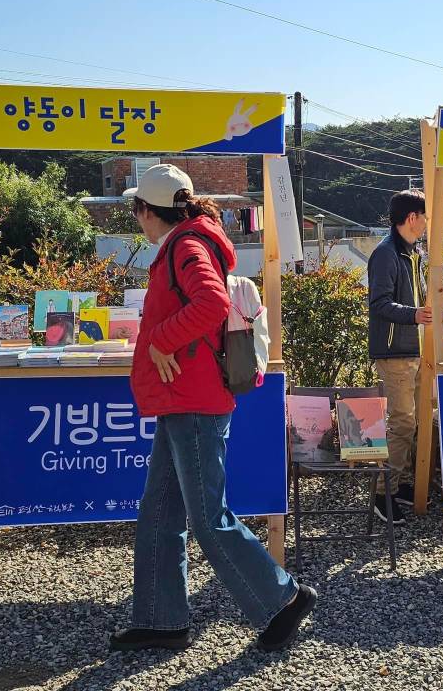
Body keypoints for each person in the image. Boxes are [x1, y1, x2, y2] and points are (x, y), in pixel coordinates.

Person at [111, 164, 315, 653]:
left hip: (193, 398)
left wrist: (160, 340)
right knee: (161, 510)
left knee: (207, 517)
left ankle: (283, 599)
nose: (136, 218)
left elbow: (211, 302)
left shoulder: (184, 244)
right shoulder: (190, 239)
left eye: (136, 209)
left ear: (146, 210)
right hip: (185, 396)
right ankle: (162, 621)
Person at [366, 189, 431, 525]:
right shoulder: (386, 254)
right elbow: (378, 304)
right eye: (424, 216)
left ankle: (403, 485)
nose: (426, 223)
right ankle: (382, 494)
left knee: (416, 421)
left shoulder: (412, 252)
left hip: (414, 348)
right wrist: (415, 315)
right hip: (395, 352)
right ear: (411, 218)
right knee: (403, 422)